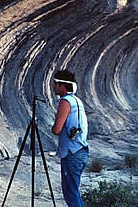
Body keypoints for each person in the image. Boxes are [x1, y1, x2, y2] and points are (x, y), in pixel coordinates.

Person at [51, 70, 89, 207]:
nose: (53, 87)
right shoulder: (76, 101)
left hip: (71, 154)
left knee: (70, 194)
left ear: (62, 86)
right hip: (81, 151)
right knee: (73, 192)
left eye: (55, 84)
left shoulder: (65, 102)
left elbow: (57, 130)